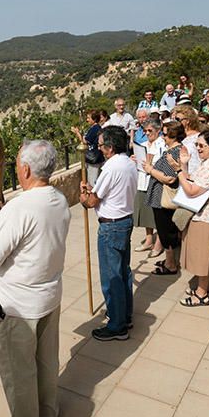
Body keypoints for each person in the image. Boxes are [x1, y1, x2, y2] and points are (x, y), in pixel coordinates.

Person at [0, 141, 71, 417]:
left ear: (26, 169)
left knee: (18, 370)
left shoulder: (20, 208)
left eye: (18, 164)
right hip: (49, 296)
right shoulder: (57, 199)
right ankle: (48, 416)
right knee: (46, 362)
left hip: (18, 305)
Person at [79, 126, 138, 341]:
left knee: (111, 276)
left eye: (102, 145)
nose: (100, 149)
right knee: (123, 272)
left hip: (111, 226)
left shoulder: (111, 167)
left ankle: (117, 325)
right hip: (124, 221)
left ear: (110, 147)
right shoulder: (128, 163)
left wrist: (83, 194)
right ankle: (124, 315)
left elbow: (92, 201)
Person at [174, 130, 209, 305]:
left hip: (207, 215)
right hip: (202, 213)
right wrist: (184, 165)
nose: (198, 148)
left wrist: (178, 172)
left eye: (201, 145)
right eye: (197, 145)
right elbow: (193, 181)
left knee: (202, 255)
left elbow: (191, 191)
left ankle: (202, 293)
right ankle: (203, 287)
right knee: (200, 254)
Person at [144, 121, 186, 276]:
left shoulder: (174, 152)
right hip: (160, 197)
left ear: (173, 135)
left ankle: (170, 264)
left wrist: (150, 170)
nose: (162, 135)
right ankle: (170, 261)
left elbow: (169, 178)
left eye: (165, 133)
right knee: (165, 230)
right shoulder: (173, 150)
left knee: (166, 231)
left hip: (163, 199)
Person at [133, 119, 164, 256]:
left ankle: (159, 243)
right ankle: (149, 239)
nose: (147, 133)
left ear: (158, 130)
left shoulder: (162, 145)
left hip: (156, 182)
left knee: (157, 214)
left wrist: (150, 165)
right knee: (145, 212)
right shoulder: (143, 144)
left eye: (150, 130)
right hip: (142, 181)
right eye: (145, 131)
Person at [71, 110, 104, 185]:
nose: (87, 120)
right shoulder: (97, 128)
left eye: (89, 118)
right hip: (98, 157)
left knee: (93, 182)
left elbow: (85, 141)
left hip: (93, 159)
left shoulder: (95, 129)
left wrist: (77, 133)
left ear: (94, 119)